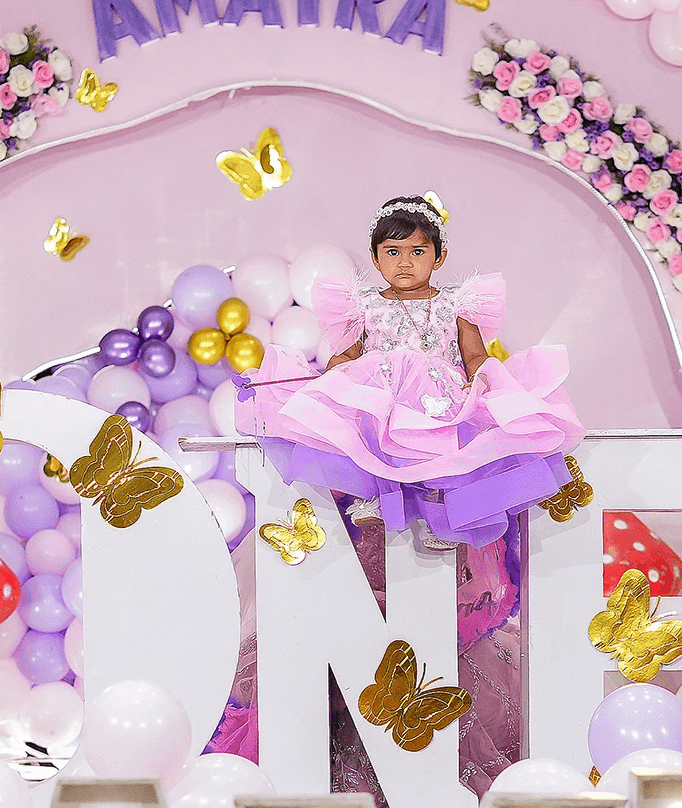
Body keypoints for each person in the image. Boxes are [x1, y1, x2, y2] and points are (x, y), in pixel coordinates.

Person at [237, 194, 584, 549]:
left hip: (439, 396)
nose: (405, 263)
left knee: (443, 454)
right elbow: (348, 354)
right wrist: (327, 382)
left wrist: (481, 380)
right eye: (392, 252)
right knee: (375, 439)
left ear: (439, 257)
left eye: (417, 252)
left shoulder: (456, 303)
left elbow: (475, 354)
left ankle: (443, 513)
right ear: (374, 257)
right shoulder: (364, 304)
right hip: (385, 396)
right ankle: (381, 497)